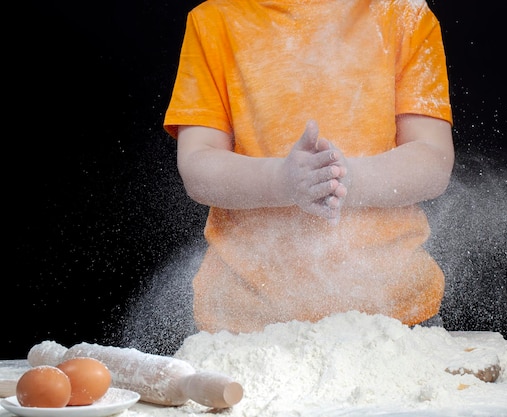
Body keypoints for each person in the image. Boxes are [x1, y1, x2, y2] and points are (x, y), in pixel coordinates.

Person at [163, 0, 454, 334]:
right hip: (245, 324)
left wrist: (345, 179)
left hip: (397, 320)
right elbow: (198, 167)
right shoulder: (214, 20)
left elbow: (433, 161)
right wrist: (281, 182)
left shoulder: (405, 13)